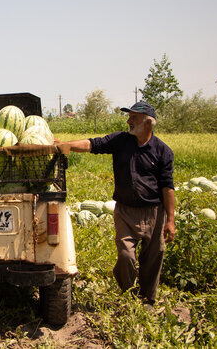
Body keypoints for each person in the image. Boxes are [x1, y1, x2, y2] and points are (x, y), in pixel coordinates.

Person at [63, 102, 175, 306]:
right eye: (129, 117)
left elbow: (168, 188)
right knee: (125, 256)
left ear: (148, 122)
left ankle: (148, 299)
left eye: (134, 118)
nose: (128, 121)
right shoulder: (121, 140)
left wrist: (170, 220)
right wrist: (65, 145)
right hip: (125, 211)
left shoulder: (162, 151)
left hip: (154, 213)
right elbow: (92, 144)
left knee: (152, 259)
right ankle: (129, 292)